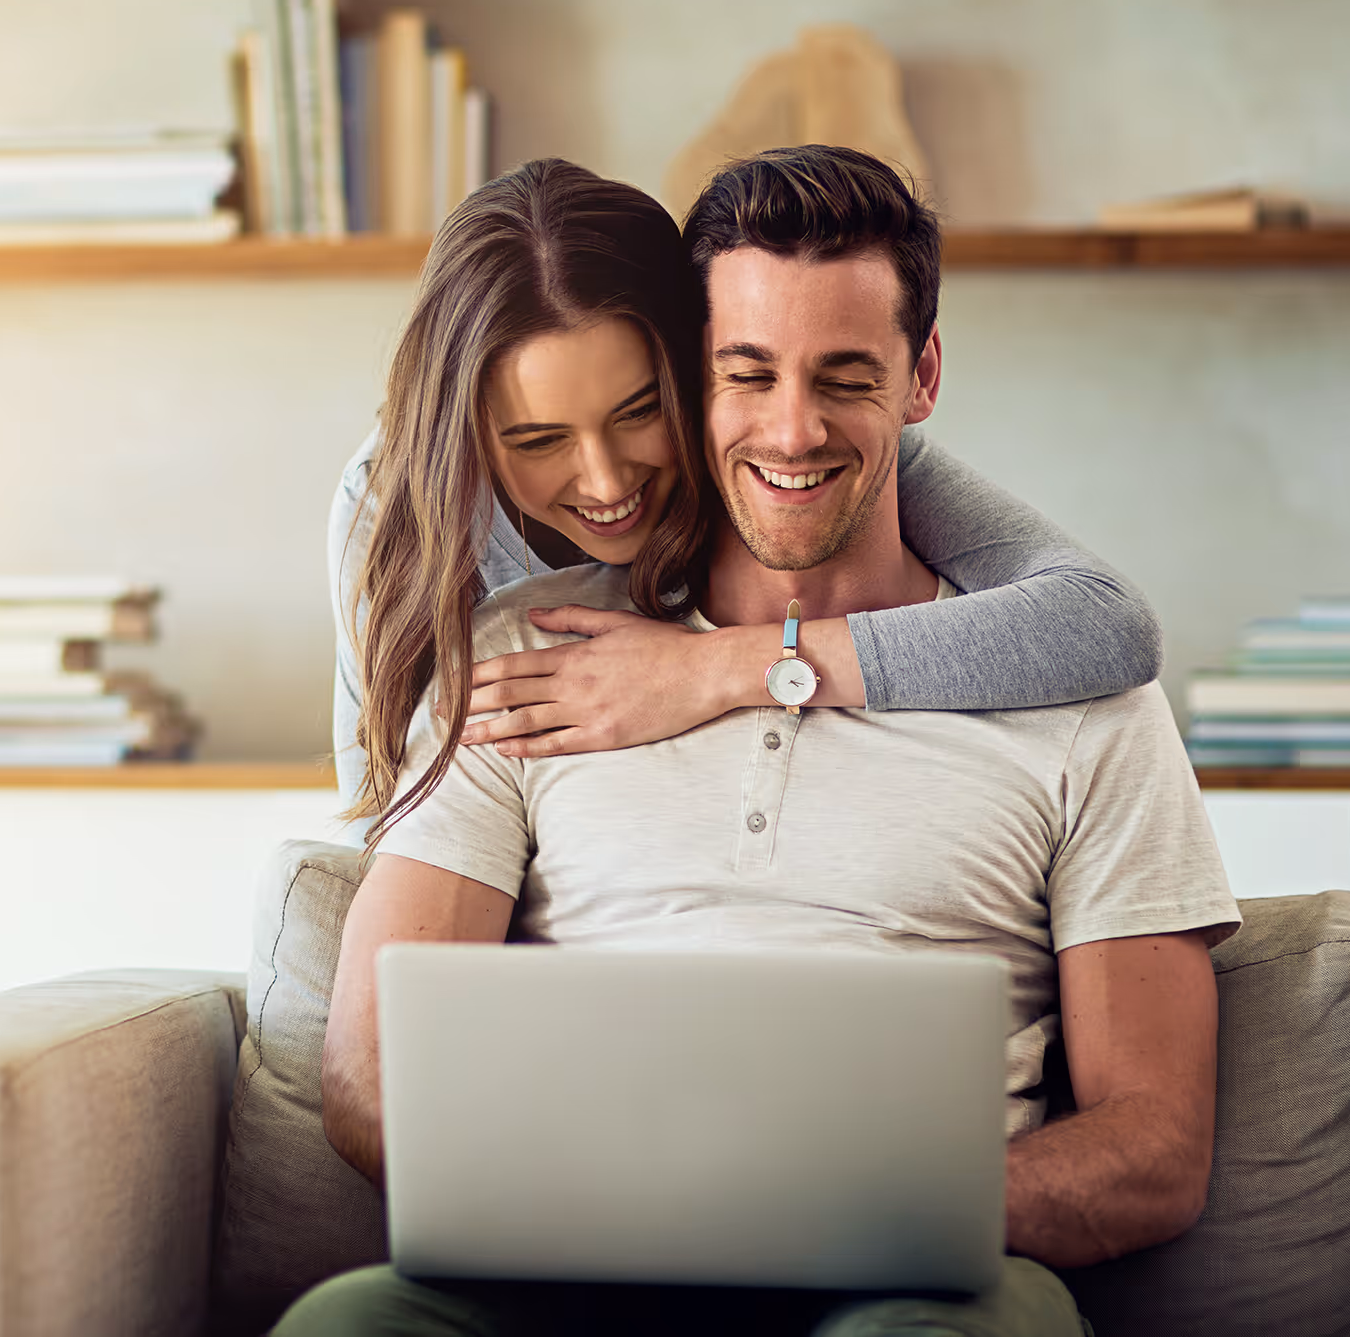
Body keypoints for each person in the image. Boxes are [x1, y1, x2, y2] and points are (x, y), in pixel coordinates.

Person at [289, 146, 1242, 1336]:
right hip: (576, 1263)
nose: (794, 430)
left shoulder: (1085, 695)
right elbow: (369, 1072)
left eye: (846, 375)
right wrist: (620, 1210)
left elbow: (1154, 1150)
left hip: (912, 1278)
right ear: (698, 375)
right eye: (747, 374)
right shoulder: (517, 655)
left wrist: (836, 1208)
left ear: (922, 375)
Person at [328, 157, 1162, 834]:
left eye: (642, 410)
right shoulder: (396, 502)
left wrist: (711, 667)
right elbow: (387, 814)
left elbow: (1103, 621)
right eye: (539, 440)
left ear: (694, 370)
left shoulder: (808, 446)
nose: (608, 483)